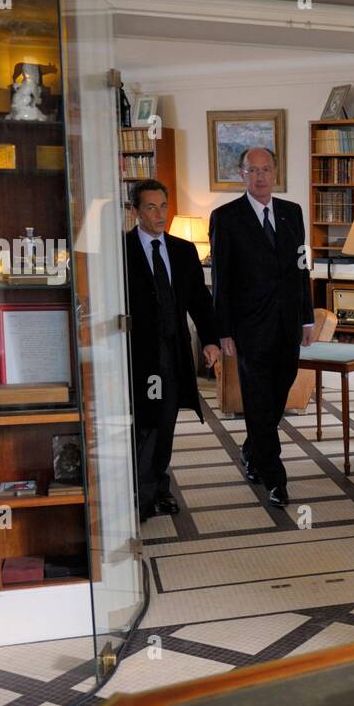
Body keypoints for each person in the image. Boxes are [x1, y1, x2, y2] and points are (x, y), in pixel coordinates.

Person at [209, 147, 315, 508]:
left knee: (277, 395)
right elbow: (221, 278)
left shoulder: (292, 213)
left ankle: (252, 450)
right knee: (257, 401)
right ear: (242, 175)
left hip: (288, 326)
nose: (259, 176)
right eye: (252, 170)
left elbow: (302, 269)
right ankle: (275, 477)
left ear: (275, 172)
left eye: (265, 169)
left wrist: (306, 317)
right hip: (249, 328)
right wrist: (222, 330)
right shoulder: (226, 217)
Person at [125, 179, 221, 523]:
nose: (159, 213)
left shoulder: (182, 251)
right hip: (137, 356)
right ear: (135, 211)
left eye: (163, 206)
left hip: (174, 351)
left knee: (164, 423)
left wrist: (210, 340)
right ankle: (143, 497)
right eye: (150, 207)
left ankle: (157, 486)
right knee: (146, 424)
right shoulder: (121, 251)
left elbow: (199, 300)